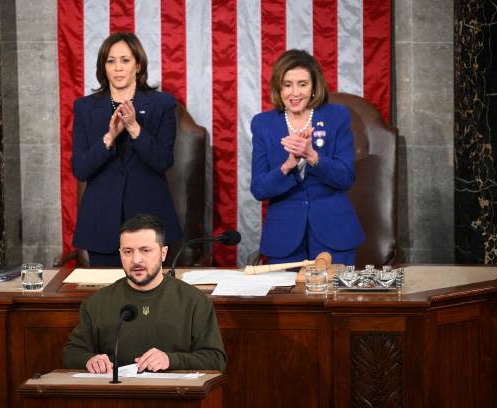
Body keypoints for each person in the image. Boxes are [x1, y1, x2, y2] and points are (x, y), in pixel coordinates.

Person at [63, 214, 227, 373]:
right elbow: (71, 353)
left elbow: (215, 359)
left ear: (163, 253)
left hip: (175, 397)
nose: (136, 260)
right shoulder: (97, 303)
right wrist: (89, 360)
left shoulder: (194, 301)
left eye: (145, 250)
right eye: (128, 251)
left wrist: (171, 360)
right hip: (116, 397)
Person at [72, 32, 181, 266]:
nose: (117, 68)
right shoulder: (84, 108)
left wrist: (134, 128)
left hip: (149, 223)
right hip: (102, 223)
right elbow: (80, 169)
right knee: (107, 299)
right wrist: (109, 138)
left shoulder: (162, 104)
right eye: (110, 61)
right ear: (103, 67)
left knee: (153, 299)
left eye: (125, 60)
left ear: (138, 65)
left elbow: (162, 161)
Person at [250, 49, 365, 266]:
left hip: (334, 233)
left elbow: (345, 178)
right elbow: (259, 189)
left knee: (335, 299)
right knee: (289, 300)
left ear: (314, 87)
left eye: (302, 84)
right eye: (287, 84)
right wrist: (287, 165)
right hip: (284, 238)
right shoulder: (263, 124)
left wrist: (312, 156)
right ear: (278, 87)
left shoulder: (337, 116)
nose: (295, 93)